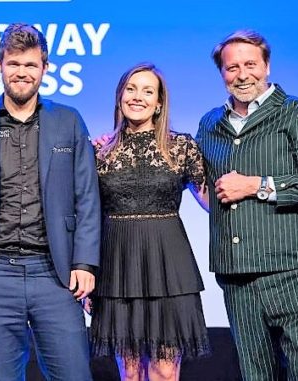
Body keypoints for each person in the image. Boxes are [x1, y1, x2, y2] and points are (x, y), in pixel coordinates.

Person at [0, 23, 100, 381]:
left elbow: (87, 197)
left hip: (57, 274)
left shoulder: (68, 121)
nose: (22, 73)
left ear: (45, 69)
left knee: (75, 374)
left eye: (31, 65)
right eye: (14, 63)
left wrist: (85, 263)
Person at [196, 30, 298, 380]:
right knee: (254, 374)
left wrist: (257, 186)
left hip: (293, 272)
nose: (242, 75)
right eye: (231, 68)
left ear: (267, 66)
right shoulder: (210, 123)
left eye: (250, 65)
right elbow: (209, 190)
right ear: (222, 73)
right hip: (237, 274)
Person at [89, 63, 210, 381]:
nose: (137, 97)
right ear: (119, 97)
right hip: (117, 269)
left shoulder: (180, 148)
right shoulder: (99, 153)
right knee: (130, 374)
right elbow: (85, 217)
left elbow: (212, 201)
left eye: (147, 90)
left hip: (168, 268)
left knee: (164, 371)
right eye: (131, 89)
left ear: (159, 103)